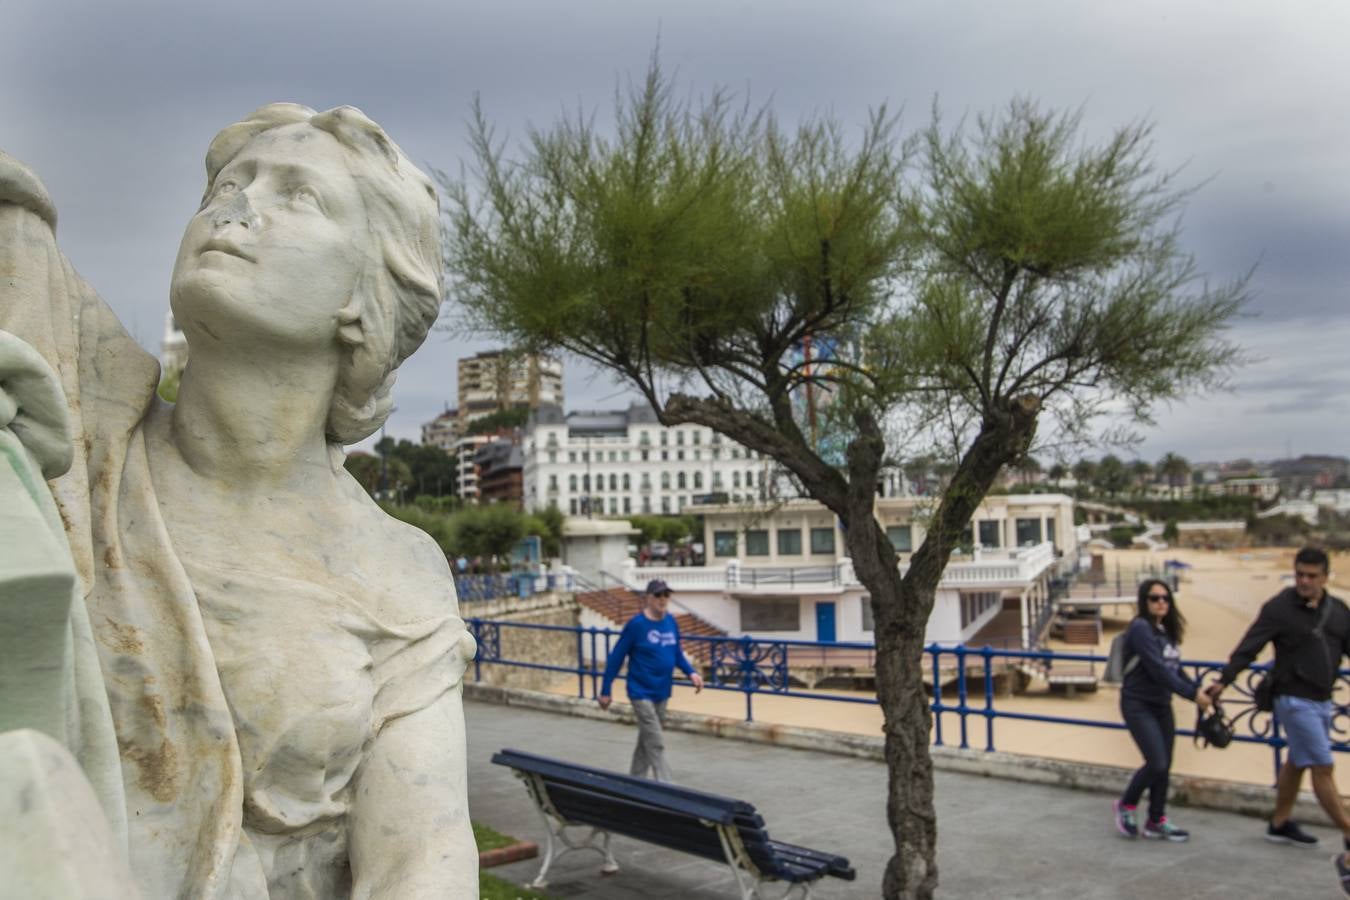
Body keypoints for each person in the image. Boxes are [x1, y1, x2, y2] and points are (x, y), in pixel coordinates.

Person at [0, 104, 477, 898]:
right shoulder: (79, 432)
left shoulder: (398, 573)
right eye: (226, 185)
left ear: (364, 304)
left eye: (299, 196)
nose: (234, 206)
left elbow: (421, 861)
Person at [1204, 547, 1350, 893]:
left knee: (1297, 761)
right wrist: (1224, 680)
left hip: (1323, 702)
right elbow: (1249, 645)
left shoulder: (1339, 612)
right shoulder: (1279, 608)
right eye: (1299, 574)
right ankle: (1348, 832)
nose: (1304, 581)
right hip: (1292, 701)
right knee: (1322, 766)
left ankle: (1280, 822)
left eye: (1312, 576)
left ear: (1325, 577)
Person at [1112, 578, 1212, 842]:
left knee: (1165, 765)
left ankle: (1156, 820)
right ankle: (1127, 804)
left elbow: (1175, 668)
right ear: (1144, 602)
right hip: (1138, 703)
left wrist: (1199, 691)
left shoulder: (1164, 632)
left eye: (1165, 598)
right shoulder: (1141, 628)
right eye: (1154, 598)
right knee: (1157, 762)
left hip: (1161, 705)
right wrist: (1192, 695)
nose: (1161, 603)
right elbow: (1157, 669)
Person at [598, 579, 704, 781]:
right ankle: (667, 788)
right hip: (640, 692)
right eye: (658, 595)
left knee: (646, 739)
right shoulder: (636, 625)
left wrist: (691, 673)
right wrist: (605, 690)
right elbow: (616, 657)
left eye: (666, 595)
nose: (662, 600)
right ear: (648, 598)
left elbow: (676, 653)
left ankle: (635, 782)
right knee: (656, 741)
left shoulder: (671, 622)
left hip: (662, 691)